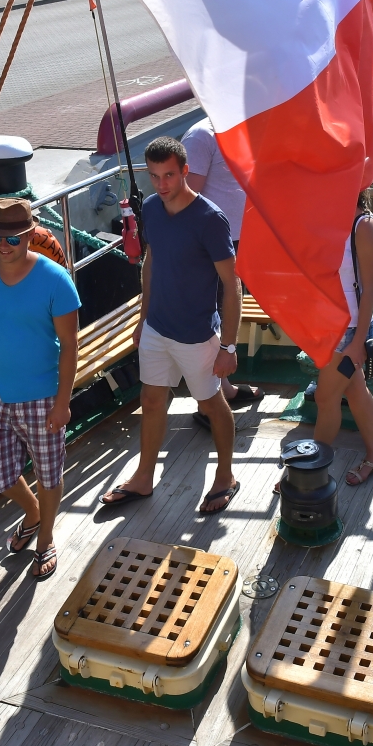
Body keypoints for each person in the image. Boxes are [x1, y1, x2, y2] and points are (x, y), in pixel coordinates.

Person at [101, 136, 242, 514]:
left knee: (211, 404)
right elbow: (151, 263)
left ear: (185, 171)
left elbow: (232, 285)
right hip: (156, 328)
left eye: (169, 175)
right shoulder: (151, 207)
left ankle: (226, 476)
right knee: (150, 400)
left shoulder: (210, 219)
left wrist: (228, 346)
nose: (161, 184)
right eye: (154, 176)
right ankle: (144, 477)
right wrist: (142, 319)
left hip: (197, 335)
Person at [0, 198, 81, 580]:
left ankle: (45, 539)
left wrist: (63, 402)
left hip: (44, 396)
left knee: (49, 475)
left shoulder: (56, 280)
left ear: (28, 235)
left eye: (12, 238)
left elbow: (70, 345)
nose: (3, 245)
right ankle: (34, 511)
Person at [182, 117, 263, 416]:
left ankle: (222, 387)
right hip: (209, 244)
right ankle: (208, 403)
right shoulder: (201, 137)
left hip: (236, 241)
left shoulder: (240, 130)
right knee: (209, 317)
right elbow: (186, 197)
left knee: (226, 310)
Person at [312, 192, 373, 485]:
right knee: (355, 391)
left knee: (325, 397)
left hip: (352, 330)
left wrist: (358, 343)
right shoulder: (328, 220)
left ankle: (309, 471)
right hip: (330, 325)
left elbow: (370, 289)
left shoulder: (364, 226)